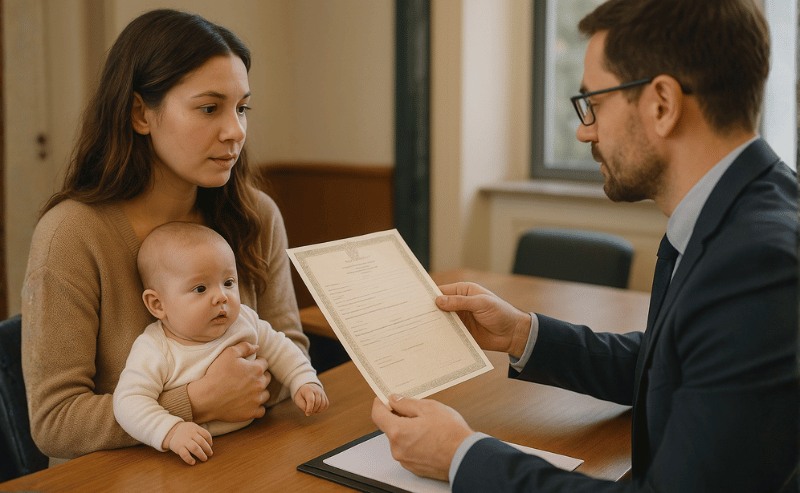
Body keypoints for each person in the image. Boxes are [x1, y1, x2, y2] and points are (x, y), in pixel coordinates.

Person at [372, 0, 799, 491]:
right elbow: (668, 364)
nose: (582, 130)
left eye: (593, 103)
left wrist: (461, 456)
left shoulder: (755, 265)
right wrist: (520, 334)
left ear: (662, 104)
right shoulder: (744, 211)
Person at [22, 9, 309, 462]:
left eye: (241, 108)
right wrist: (195, 402)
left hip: (242, 462)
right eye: (209, 108)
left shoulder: (256, 215)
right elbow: (55, 423)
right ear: (140, 113)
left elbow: (290, 352)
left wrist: (268, 384)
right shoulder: (72, 234)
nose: (235, 131)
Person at [113, 222, 328, 465]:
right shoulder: (154, 349)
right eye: (200, 288)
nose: (221, 297)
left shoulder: (244, 320)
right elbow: (128, 402)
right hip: (192, 457)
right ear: (157, 305)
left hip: (256, 443)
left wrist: (303, 380)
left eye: (228, 282)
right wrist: (170, 431)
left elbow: (282, 348)